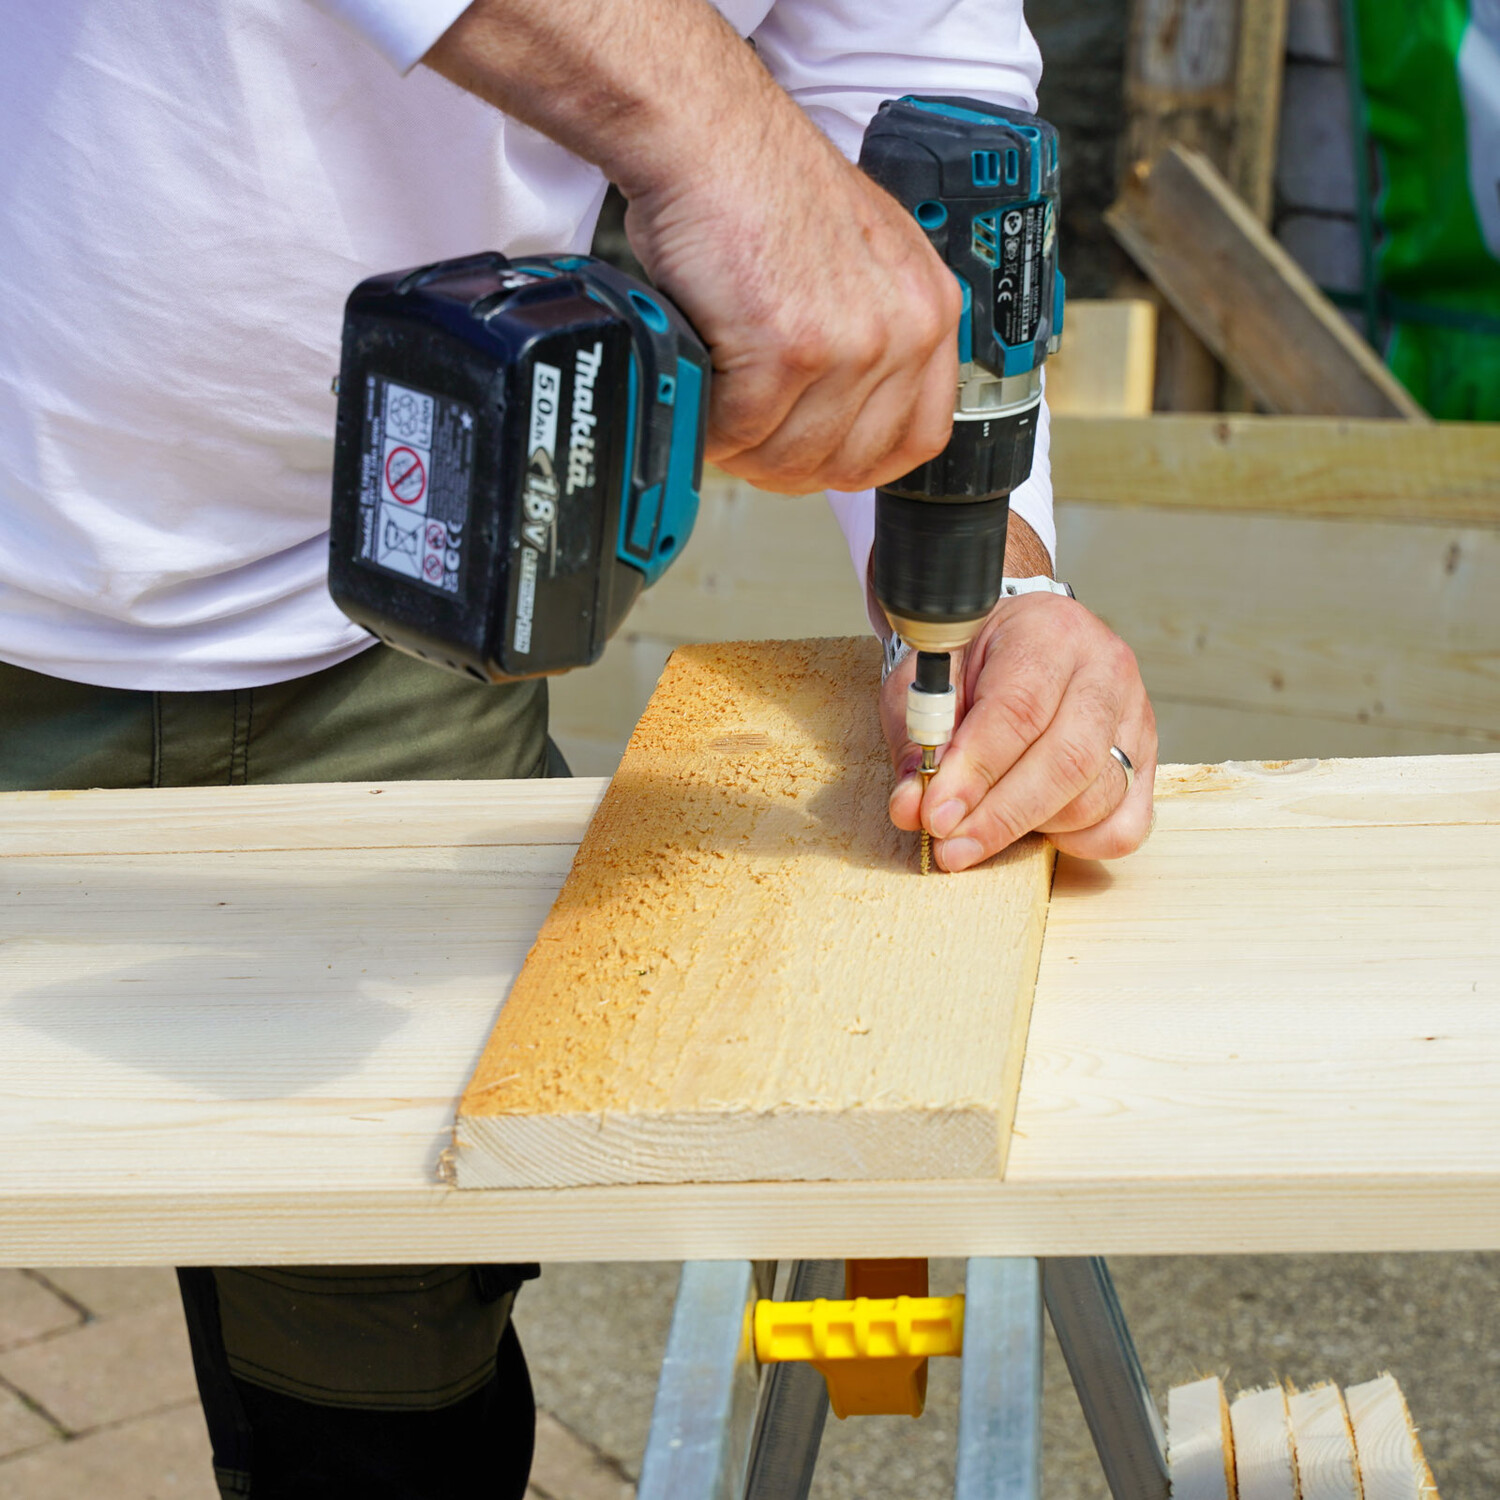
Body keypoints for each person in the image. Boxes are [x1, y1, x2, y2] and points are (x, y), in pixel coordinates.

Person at [1, 1, 1157, 1494]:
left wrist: (990, 580)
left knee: (383, 1413)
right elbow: (760, 158)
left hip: (411, 600)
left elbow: (909, 82)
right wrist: (720, 143)